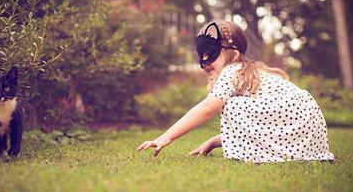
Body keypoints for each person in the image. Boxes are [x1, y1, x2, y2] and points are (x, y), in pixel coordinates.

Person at [137, 20, 335, 163]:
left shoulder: (232, 71)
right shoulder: (250, 72)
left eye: (210, 54)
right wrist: (216, 141)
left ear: (233, 54)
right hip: (307, 128)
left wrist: (166, 136)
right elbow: (266, 125)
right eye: (201, 56)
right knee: (234, 103)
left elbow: (207, 108)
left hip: (295, 116)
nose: (204, 62)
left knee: (230, 104)